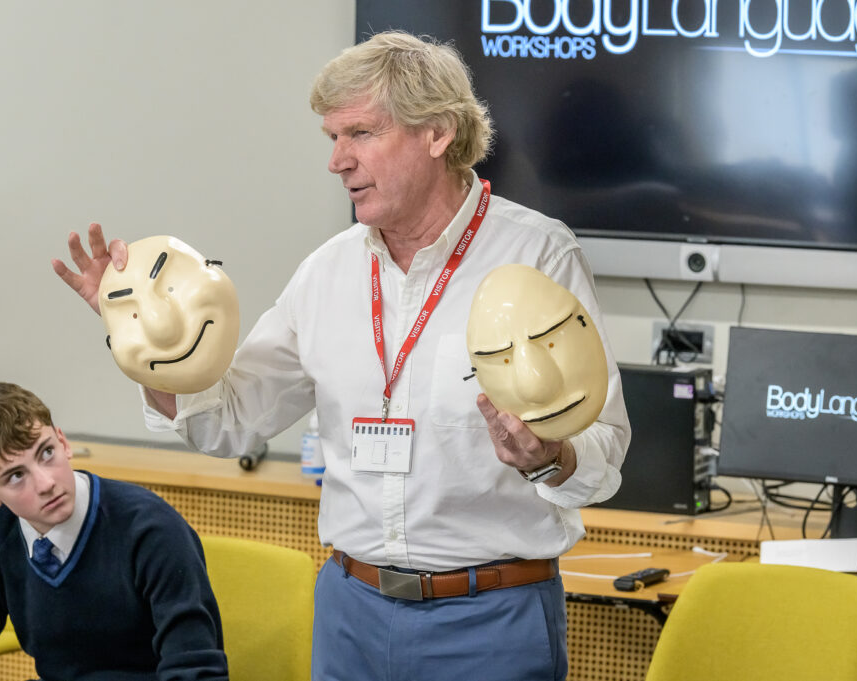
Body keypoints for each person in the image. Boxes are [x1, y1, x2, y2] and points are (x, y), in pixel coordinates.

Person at [53, 31, 630, 681]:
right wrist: (137, 335)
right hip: (351, 615)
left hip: (491, 620)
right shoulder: (326, 272)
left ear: (438, 132)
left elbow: (605, 450)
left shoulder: (538, 253)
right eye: (332, 137)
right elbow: (228, 420)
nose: (337, 160)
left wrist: (549, 456)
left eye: (360, 133)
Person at [0, 382, 228, 681]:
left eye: (46, 453)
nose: (46, 483)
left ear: (63, 443)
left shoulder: (151, 529)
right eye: (16, 476)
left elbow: (194, 670)